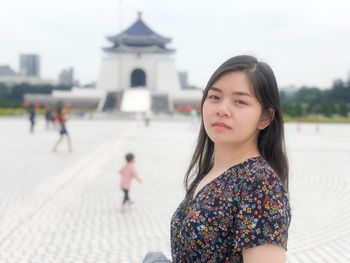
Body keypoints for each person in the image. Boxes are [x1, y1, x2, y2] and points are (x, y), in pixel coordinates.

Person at [170, 55, 291, 263]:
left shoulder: (260, 184)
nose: (222, 110)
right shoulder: (209, 173)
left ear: (265, 118)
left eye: (240, 102)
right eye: (215, 97)